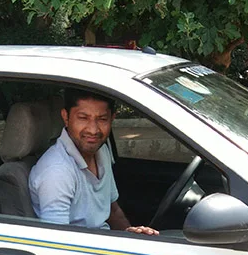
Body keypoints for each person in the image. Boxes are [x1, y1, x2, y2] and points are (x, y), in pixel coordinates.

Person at [29, 89, 159, 235]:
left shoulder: (101, 151)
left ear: (112, 119)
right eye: (83, 118)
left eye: (102, 119)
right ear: (66, 117)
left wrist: (131, 236)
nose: (93, 130)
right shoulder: (56, 172)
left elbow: (112, 211)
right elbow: (57, 242)